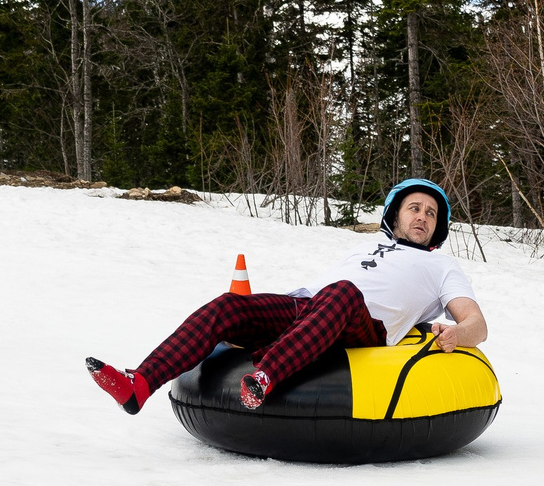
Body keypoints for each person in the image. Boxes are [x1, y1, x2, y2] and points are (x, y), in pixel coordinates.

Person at [86, 177, 486, 414]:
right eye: (414, 208)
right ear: (394, 215)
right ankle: (139, 382)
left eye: (431, 214)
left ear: (438, 228)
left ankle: (265, 377)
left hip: (365, 325)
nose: (421, 217)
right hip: (313, 307)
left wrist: (457, 333)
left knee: (342, 292)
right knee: (231, 305)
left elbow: (476, 324)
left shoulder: (442, 267)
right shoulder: (360, 247)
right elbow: (320, 295)